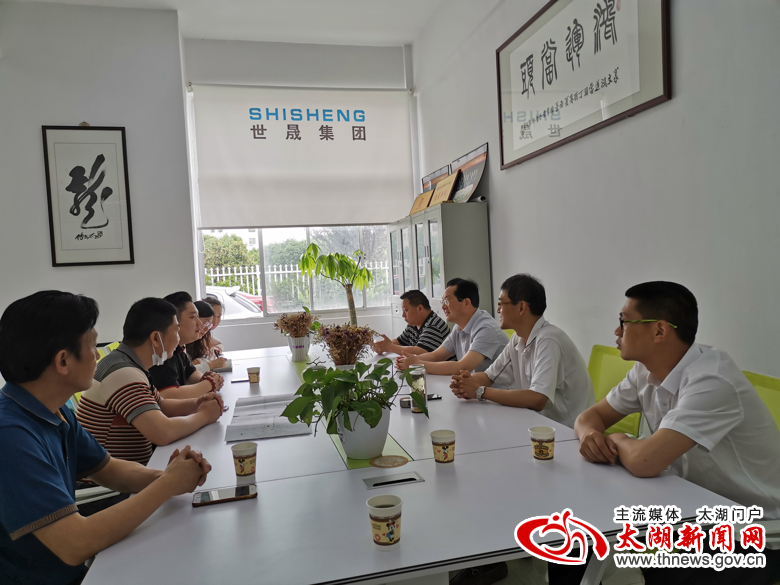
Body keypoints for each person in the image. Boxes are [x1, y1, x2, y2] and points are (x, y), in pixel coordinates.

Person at [572, 281, 780, 584]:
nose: (617, 331)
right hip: (692, 507)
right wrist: (589, 435)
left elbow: (645, 462)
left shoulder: (713, 380)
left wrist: (618, 438)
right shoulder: (644, 371)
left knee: (661, 569)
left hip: (754, 531)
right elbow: (590, 417)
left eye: (624, 322)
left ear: (659, 330)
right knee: (580, 533)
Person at [0, 291, 212, 585]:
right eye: (91, 345)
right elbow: (75, 544)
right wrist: (167, 485)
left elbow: (109, 469)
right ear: (63, 361)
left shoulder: (55, 411)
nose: (98, 355)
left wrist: (171, 476)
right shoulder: (10, 436)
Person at [77, 298, 225, 465]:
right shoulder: (122, 373)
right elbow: (163, 432)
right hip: (115, 479)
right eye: (176, 331)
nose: (178, 339)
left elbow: (161, 405)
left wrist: (197, 403)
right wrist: (204, 415)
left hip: (138, 469)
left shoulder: (129, 364)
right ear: (156, 338)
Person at [450, 274, 594, 428]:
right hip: (538, 423)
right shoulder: (518, 339)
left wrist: (480, 391)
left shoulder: (549, 339)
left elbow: (538, 399)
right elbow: (489, 376)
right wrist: (464, 382)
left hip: (569, 431)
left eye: (501, 303)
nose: (498, 310)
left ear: (521, 307)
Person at [395, 279, 512, 385]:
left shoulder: (486, 328)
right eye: (442, 302)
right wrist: (410, 360)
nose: (443, 307)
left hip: (499, 396)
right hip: (474, 391)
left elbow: (462, 367)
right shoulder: (459, 328)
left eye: (447, 301)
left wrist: (417, 364)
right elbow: (436, 355)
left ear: (466, 303)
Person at [149, 292, 224, 399]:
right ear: (174, 321)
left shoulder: (178, 350)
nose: (200, 323)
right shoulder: (163, 353)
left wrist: (206, 378)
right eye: (193, 317)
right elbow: (168, 395)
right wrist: (209, 384)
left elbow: (190, 375)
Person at [372, 289, 449, 355]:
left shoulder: (434, 325)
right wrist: (382, 345)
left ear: (420, 308)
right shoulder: (413, 324)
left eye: (406, 310)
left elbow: (419, 352)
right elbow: (399, 341)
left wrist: (390, 347)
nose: (403, 315)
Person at [186, 300, 227, 373]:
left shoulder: (203, 336)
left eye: (218, 316)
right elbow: (185, 373)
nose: (215, 320)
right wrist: (210, 364)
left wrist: (204, 360)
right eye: (205, 323)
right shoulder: (183, 343)